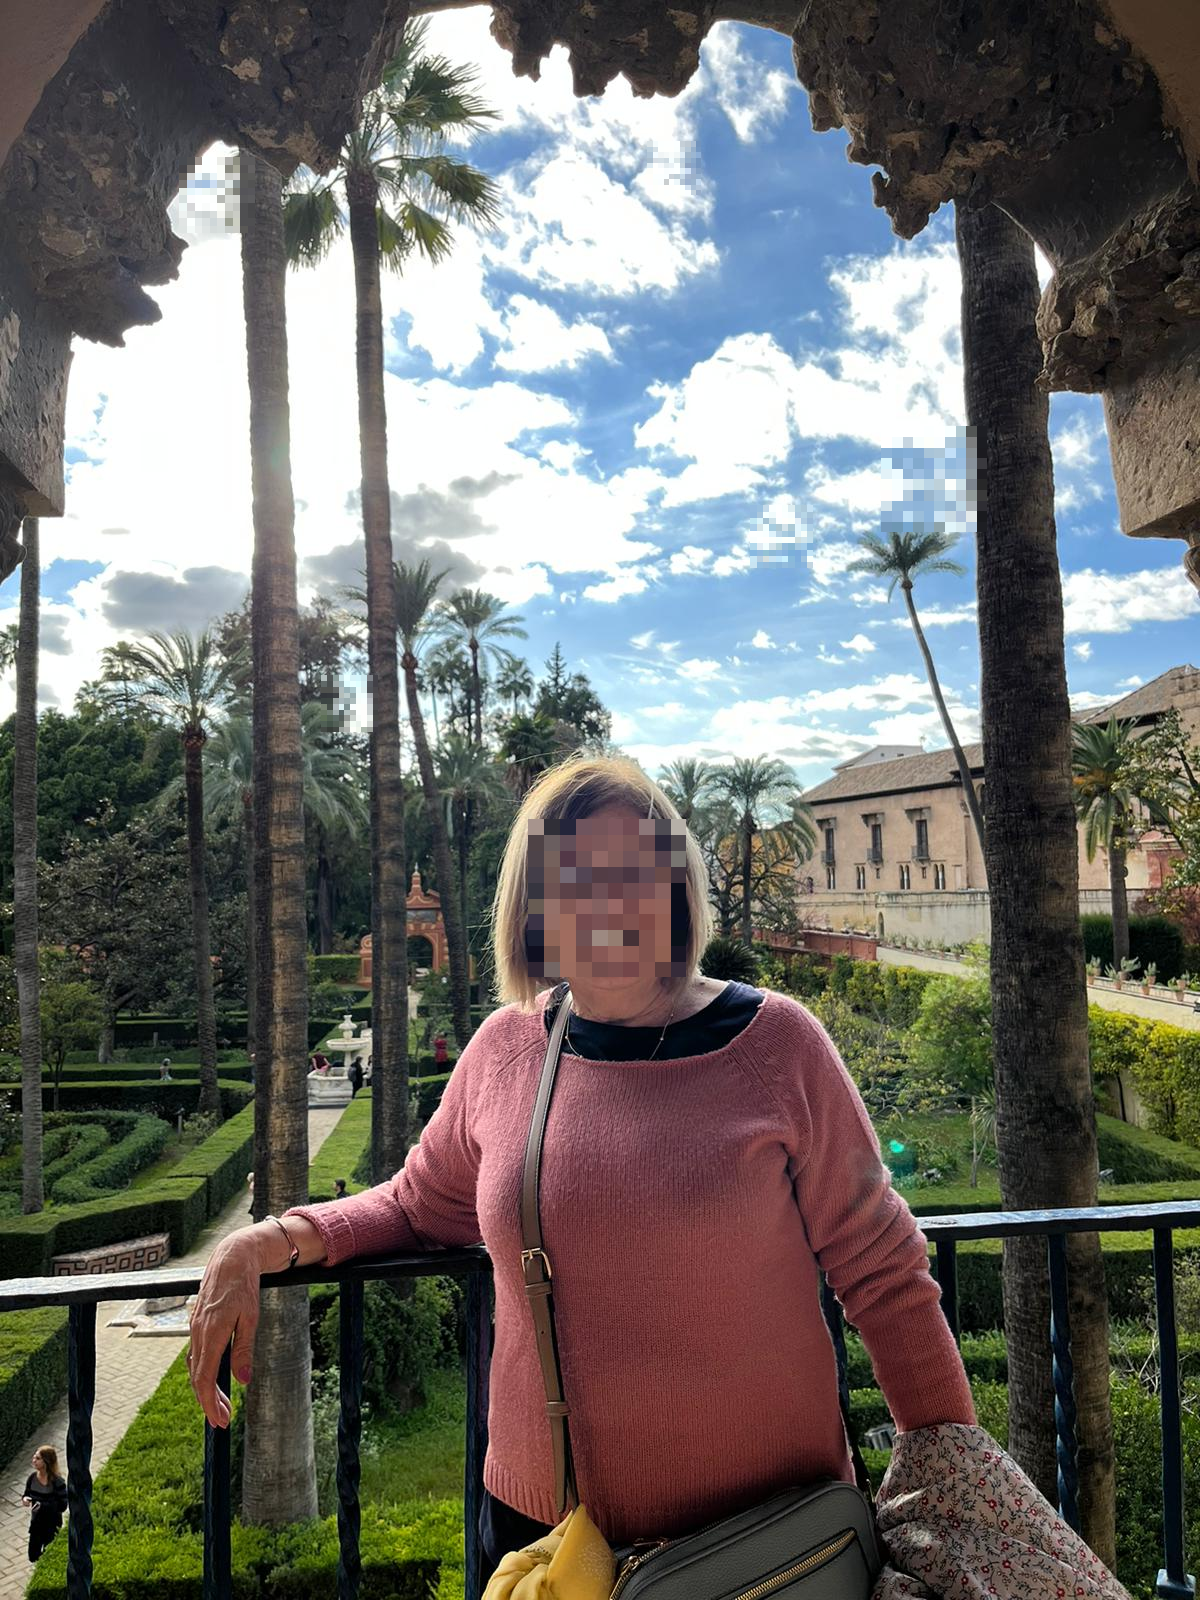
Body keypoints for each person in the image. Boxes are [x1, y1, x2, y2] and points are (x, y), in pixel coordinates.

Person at [187, 755, 976, 1591]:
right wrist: (266, 1243)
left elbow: (886, 1276)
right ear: (536, 909)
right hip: (548, 1548)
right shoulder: (505, 1051)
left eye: (630, 871)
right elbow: (421, 1204)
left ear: (674, 887)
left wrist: (959, 1508)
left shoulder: (776, 1046)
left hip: (767, 1544)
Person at [22, 1445, 67, 1563]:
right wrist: (25, 1499)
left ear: (46, 1462)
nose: (34, 1461)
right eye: (34, 1457)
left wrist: (43, 1505)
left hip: (51, 1524)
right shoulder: (32, 1478)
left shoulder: (57, 1483)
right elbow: (27, 1493)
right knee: (33, 1556)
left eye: (37, 1458)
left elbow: (62, 1506)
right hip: (36, 1523)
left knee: (49, 1555)